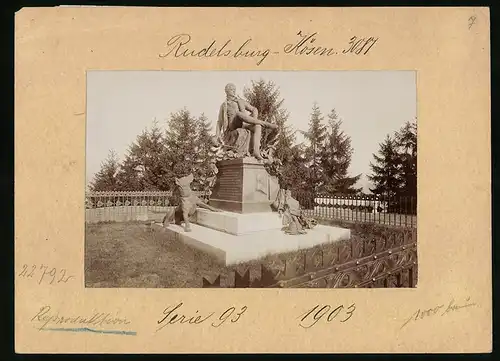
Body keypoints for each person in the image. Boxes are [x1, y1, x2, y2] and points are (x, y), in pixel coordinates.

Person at [216, 83, 278, 160]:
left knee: (257, 126)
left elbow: (254, 109)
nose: (233, 91)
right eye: (231, 89)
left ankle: (256, 152)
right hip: (232, 125)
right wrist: (217, 135)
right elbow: (219, 121)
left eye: (234, 89)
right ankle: (266, 124)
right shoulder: (224, 105)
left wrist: (254, 120)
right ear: (226, 91)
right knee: (238, 114)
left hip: (243, 123)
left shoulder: (240, 101)